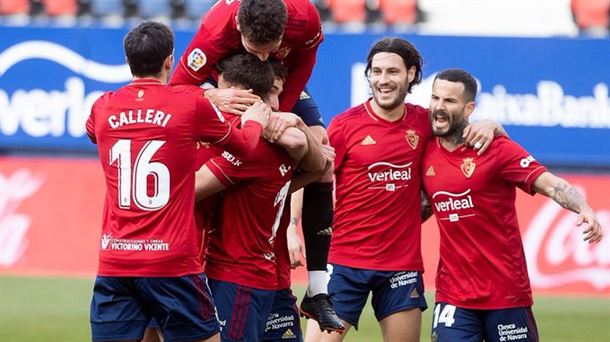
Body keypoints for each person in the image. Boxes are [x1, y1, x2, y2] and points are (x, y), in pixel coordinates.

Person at [305, 38, 505, 342]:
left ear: (411, 74)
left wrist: (492, 124)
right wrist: (294, 227)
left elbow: (465, 130)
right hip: (345, 261)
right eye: (376, 71)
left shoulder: (424, 122)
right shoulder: (345, 125)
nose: (383, 80)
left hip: (401, 265)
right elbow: (312, 175)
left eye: (392, 72)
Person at [85, 22, 270, 342]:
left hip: (116, 261)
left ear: (128, 61)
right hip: (171, 263)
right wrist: (253, 122)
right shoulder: (188, 104)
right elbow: (243, 146)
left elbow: (93, 132)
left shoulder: (103, 106)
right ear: (170, 60)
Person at [170, 0, 341, 331]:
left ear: (283, 31)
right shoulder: (215, 29)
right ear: (238, 29)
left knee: (319, 145)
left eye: (270, 48)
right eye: (255, 48)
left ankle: (318, 288)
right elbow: (176, 88)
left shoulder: (305, 17)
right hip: (232, 88)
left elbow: (304, 63)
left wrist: (279, 113)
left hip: (277, 87)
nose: (262, 54)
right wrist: (210, 97)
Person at [422, 68, 603, 342]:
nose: (439, 107)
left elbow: (552, 184)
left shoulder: (496, 149)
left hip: (506, 295)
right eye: (435, 98)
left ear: (469, 108)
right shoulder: (424, 150)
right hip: (453, 297)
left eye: (449, 101)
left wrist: (584, 208)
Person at [192, 54, 329, 341]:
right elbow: (315, 164)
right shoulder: (283, 142)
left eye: (226, 93)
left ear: (244, 94)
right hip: (264, 274)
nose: (221, 102)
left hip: (237, 277)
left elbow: (188, 191)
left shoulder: (248, 146)